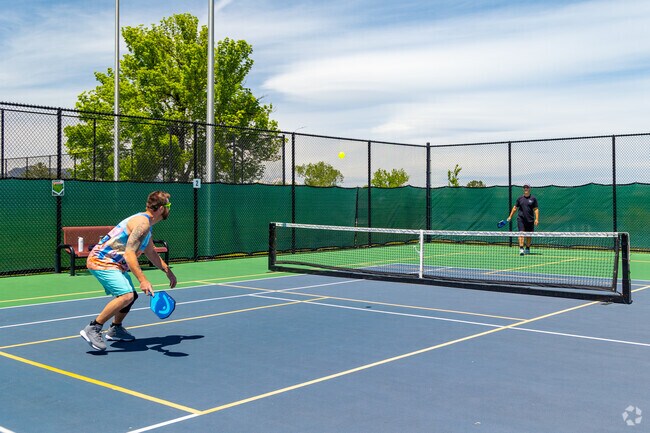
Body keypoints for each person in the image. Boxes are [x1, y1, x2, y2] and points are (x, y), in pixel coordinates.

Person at [80, 191, 177, 351]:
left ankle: (115, 329)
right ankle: (93, 328)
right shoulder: (142, 224)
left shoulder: (147, 226)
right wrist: (143, 280)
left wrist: (167, 270)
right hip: (102, 260)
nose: (169, 209)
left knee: (131, 296)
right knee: (126, 296)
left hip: (114, 263)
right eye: (169, 206)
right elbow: (129, 253)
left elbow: (150, 252)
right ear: (161, 208)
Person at [506, 184, 539, 256]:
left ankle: (527, 248)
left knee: (529, 235)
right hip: (521, 219)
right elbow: (515, 208)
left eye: (527, 188)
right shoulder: (520, 198)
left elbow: (536, 209)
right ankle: (521, 248)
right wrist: (510, 216)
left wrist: (536, 219)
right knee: (521, 233)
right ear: (523, 189)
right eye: (524, 188)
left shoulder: (533, 199)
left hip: (530, 220)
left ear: (529, 189)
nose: (526, 189)